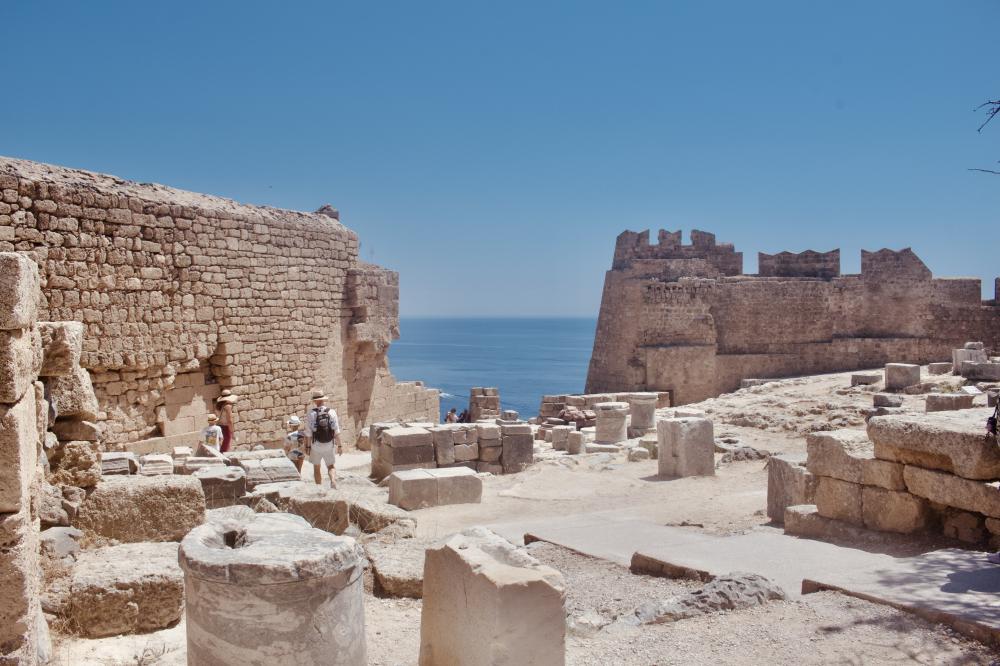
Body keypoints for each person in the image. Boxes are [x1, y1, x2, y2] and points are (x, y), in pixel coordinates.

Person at [305, 389, 342, 487]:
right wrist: (340, 446)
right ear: (323, 400)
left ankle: (319, 488)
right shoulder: (332, 412)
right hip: (329, 444)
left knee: (316, 467)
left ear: (315, 401)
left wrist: (308, 447)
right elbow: (336, 431)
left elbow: (308, 433)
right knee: (331, 466)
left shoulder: (311, 413)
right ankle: (333, 481)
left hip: (316, 445)